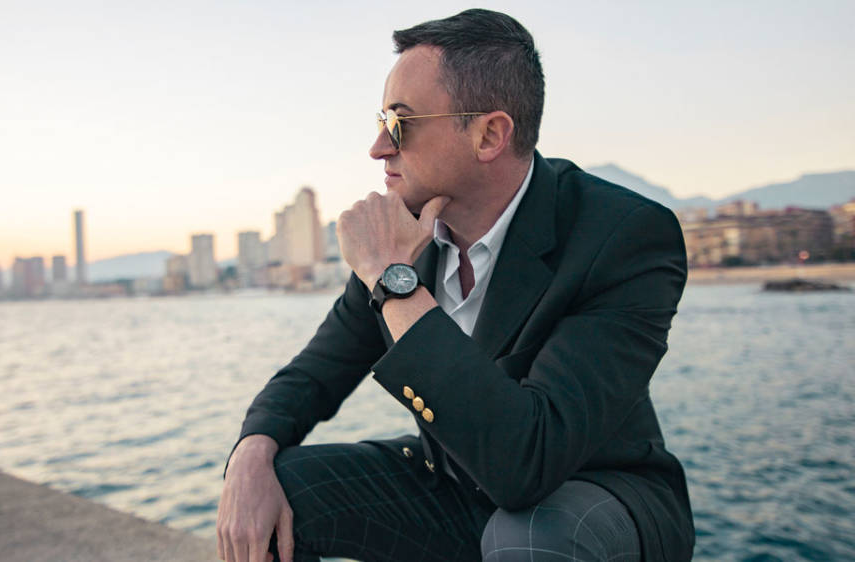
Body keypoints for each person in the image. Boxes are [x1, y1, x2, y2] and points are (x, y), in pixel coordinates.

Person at [216, 8, 694, 562]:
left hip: (596, 496)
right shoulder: (406, 239)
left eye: (400, 123)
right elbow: (313, 374)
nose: (378, 147)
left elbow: (527, 462)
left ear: (489, 135)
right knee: (274, 492)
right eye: (381, 120)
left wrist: (393, 282)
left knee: (527, 537)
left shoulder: (622, 236)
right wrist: (251, 452)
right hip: (456, 486)